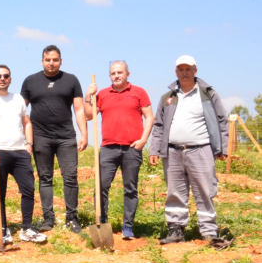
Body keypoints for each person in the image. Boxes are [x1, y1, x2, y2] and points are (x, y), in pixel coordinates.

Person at [149, 55, 229, 249]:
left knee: (205, 191)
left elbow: (221, 120)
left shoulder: (208, 94)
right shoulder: (168, 97)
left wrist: (222, 147)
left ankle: (208, 231)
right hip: (173, 152)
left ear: (195, 71)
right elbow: (158, 125)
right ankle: (176, 230)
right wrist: (155, 149)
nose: (184, 73)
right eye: (181, 69)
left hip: (201, 150)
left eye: (188, 69)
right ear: (176, 72)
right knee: (174, 192)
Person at [20, 45, 88, 233]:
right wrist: (24, 139)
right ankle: (48, 219)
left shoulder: (71, 80)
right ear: (42, 61)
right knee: (45, 177)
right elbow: (22, 112)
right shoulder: (30, 81)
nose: (51, 63)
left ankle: (72, 218)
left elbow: (79, 109)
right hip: (40, 136)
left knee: (70, 176)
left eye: (55, 60)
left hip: (66, 136)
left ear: (60, 61)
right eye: (48, 60)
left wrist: (84, 133)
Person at [84, 61, 154, 240]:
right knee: (101, 186)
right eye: (113, 73)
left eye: (119, 72)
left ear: (127, 74)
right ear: (109, 75)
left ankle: (127, 227)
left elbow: (149, 117)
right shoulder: (102, 94)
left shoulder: (139, 92)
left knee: (130, 188)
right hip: (108, 148)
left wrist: (143, 139)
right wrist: (88, 97)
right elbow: (89, 116)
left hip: (132, 148)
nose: (116, 76)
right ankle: (102, 224)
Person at [0, 65, 47, 244]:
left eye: (5, 76)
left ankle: (27, 229)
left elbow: (27, 123)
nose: (2, 78)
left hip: (20, 152)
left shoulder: (18, 99)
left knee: (28, 189)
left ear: (10, 78)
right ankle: (3, 229)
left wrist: (29, 144)